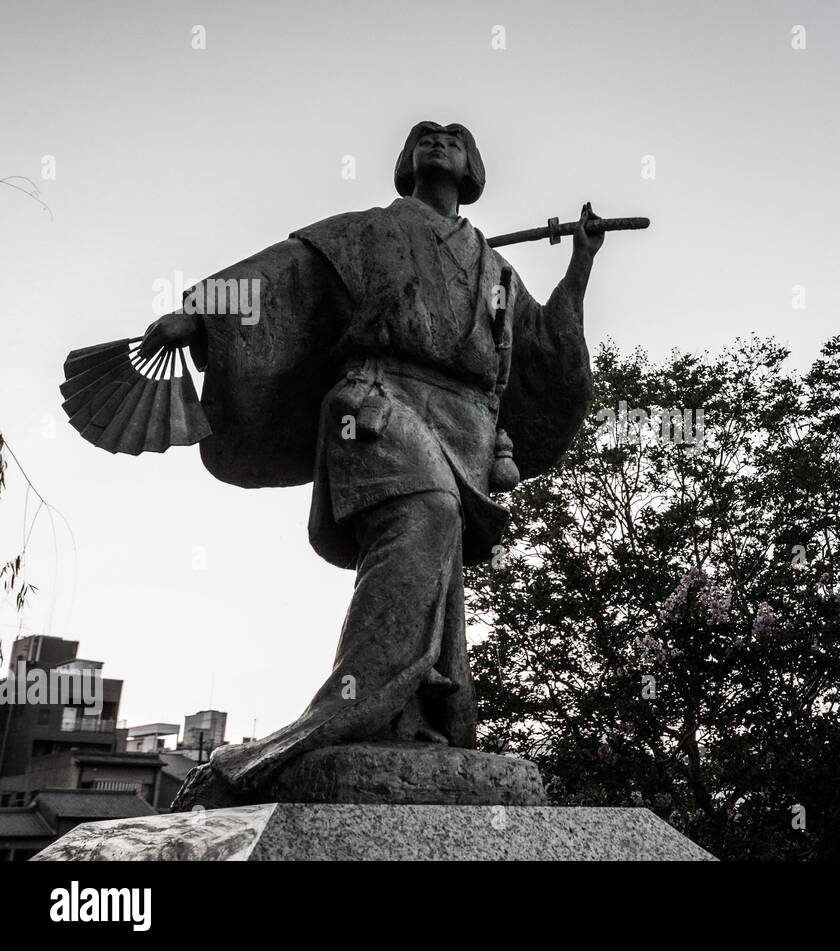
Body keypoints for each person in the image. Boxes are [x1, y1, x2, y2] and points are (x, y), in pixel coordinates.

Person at [145, 122, 603, 808]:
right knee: (428, 512)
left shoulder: (492, 267)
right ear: (406, 159)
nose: (439, 141)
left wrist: (581, 264)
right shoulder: (368, 233)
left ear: (474, 166)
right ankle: (336, 714)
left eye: (454, 137)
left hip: (465, 425)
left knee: (437, 557)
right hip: (376, 401)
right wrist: (202, 316)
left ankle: (409, 719)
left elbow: (541, 346)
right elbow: (284, 274)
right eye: (426, 135)